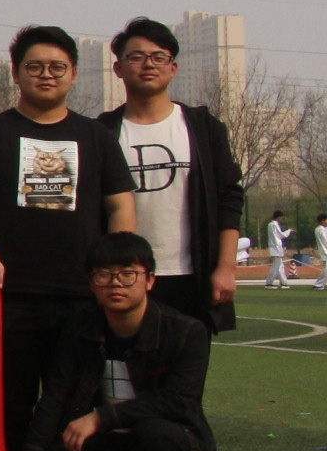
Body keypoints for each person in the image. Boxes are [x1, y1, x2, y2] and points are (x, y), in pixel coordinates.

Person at [0, 26, 138, 451]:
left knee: (78, 405)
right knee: (11, 405)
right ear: (16, 74)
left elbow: (121, 205)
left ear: (74, 74)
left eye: (57, 67)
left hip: (80, 297)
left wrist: (114, 269)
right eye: (35, 67)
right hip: (10, 296)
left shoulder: (96, 138)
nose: (46, 75)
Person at [7, 232, 216, 451]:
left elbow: (178, 401)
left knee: (154, 432)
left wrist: (100, 418)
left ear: (150, 280)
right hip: (111, 446)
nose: (115, 283)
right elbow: (57, 394)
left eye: (127, 274)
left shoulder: (186, 331)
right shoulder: (80, 327)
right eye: (103, 275)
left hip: (172, 443)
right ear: (91, 283)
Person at [99, 18, 244, 334]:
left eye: (158, 57)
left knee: (185, 363)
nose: (148, 65)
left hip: (189, 276)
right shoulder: (101, 131)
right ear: (118, 68)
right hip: (123, 279)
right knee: (119, 364)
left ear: (173, 68)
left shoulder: (202, 127)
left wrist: (225, 267)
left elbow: (229, 199)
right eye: (136, 57)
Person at [264, 212, 291, 289]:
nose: (282, 219)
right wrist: (289, 231)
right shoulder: (275, 224)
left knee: (280, 266)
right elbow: (281, 235)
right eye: (282, 218)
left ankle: (283, 282)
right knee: (276, 267)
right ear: (278, 217)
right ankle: (269, 283)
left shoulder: (270, 224)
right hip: (276, 248)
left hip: (275, 248)